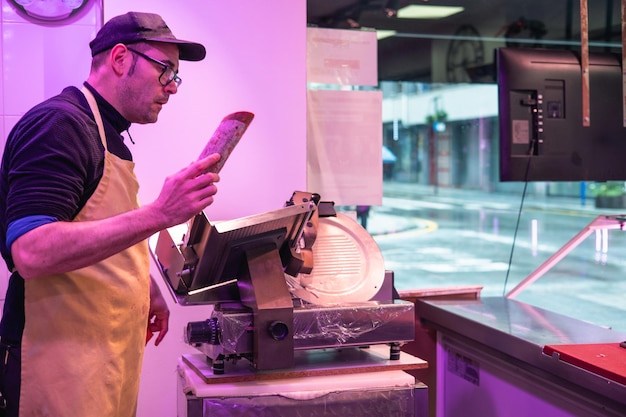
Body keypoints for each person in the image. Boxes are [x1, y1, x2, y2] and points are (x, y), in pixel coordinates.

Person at [0, 11, 221, 417]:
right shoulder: (60, 126)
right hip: (55, 369)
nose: (172, 87)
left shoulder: (109, 136)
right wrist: (160, 213)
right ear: (120, 59)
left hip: (101, 366)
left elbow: (93, 226)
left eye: (176, 75)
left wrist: (145, 284)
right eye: (165, 70)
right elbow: (30, 251)